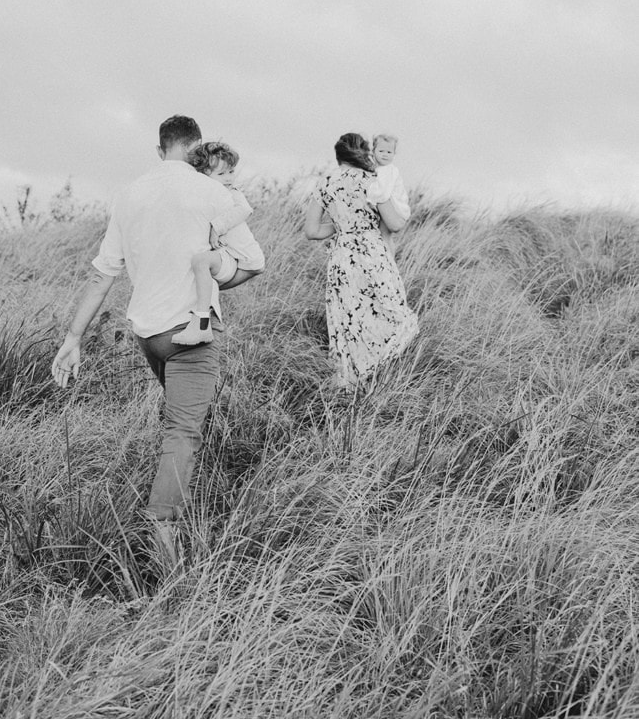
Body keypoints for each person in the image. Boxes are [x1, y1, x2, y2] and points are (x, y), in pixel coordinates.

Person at [51, 115, 264, 525]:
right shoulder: (211, 190)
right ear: (198, 146)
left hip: (148, 334)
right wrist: (219, 277)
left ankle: (172, 498)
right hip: (192, 331)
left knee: (178, 421)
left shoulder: (128, 195)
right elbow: (255, 262)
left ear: (159, 149)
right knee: (183, 433)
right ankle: (162, 526)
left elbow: (102, 275)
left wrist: (73, 337)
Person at [304, 132, 418, 391]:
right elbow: (395, 223)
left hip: (342, 258)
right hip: (372, 254)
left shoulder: (325, 183)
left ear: (338, 156)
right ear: (364, 153)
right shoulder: (373, 180)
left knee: (348, 321)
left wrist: (341, 225)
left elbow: (311, 231)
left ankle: (350, 385)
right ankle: (379, 378)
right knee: (386, 313)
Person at [172, 141, 264, 346]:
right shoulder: (206, 195)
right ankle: (213, 321)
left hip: (247, 259)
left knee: (200, 263)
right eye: (221, 174)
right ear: (203, 175)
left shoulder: (231, 192)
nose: (229, 178)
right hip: (233, 258)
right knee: (201, 281)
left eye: (231, 172)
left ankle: (201, 325)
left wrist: (216, 227)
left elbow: (245, 209)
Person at [368, 133, 411, 256]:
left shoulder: (388, 170)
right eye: (381, 151)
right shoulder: (380, 169)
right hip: (390, 205)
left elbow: (382, 193)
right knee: (383, 236)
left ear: (394, 154)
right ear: (373, 151)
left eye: (389, 152)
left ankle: (389, 263)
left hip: (395, 207)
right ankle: (386, 262)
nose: (385, 155)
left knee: (385, 236)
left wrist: (368, 200)